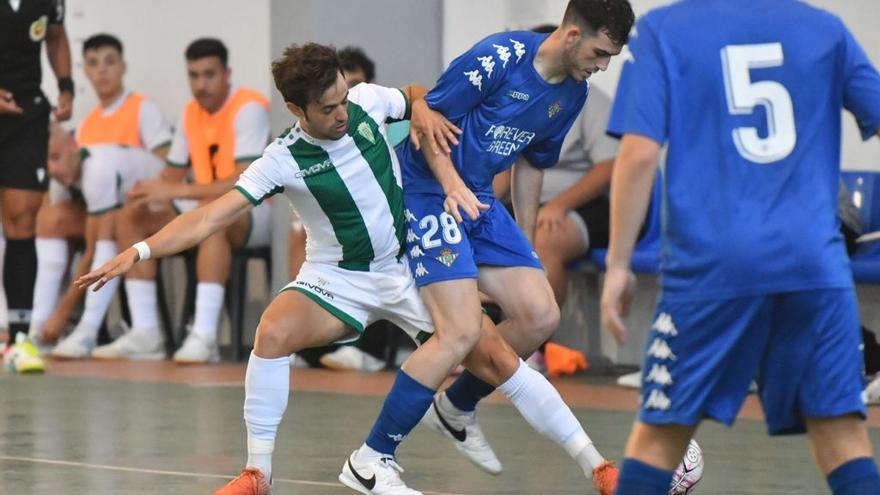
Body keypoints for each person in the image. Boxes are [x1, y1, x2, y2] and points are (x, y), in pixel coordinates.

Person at [77, 42, 620, 495]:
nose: (343, 114)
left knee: (497, 357)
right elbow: (210, 217)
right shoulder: (282, 159)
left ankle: (597, 465)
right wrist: (140, 251)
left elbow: (413, 97)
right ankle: (257, 472)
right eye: (329, 109)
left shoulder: (362, 102)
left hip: (406, 267)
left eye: (343, 99)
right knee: (272, 332)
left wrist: (422, 108)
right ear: (297, 110)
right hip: (336, 279)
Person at [600, 1, 880, 493]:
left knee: (658, 444)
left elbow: (639, 155)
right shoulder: (825, 29)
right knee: (843, 439)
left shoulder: (665, 30)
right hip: (814, 263)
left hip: (712, 267)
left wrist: (619, 264)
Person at [396, 0, 634, 474]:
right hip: (426, 188)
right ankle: (377, 452)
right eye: (600, 52)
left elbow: (531, 164)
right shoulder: (498, 57)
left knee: (541, 313)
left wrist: (525, 248)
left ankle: (455, 406)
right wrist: (452, 186)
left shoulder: (574, 93)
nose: (603, 66)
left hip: (479, 197)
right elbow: (427, 126)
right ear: (571, 36)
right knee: (461, 330)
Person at [66, 38, 273, 362]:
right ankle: (146, 332)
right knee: (129, 216)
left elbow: (244, 181)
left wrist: (175, 192)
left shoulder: (249, 106)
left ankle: (204, 336)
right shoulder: (191, 112)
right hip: (206, 205)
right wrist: (147, 191)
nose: (200, 84)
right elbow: (172, 178)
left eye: (209, 75)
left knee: (216, 222)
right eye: (193, 75)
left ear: (227, 73)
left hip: (255, 211)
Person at [30, 33, 171, 351]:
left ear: (123, 67)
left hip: (140, 210)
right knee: (49, 217)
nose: (102, 71)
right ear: (85, 71)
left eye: (109, 62)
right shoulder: (85, 126)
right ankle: (36, 325)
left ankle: (81, 326)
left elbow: (166, 166)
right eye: (93, 64)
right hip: (99, 207)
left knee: (110, 225)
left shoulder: (141, 108)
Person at [0, 0, 72, 362]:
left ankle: (18, 338)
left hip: (26, 115)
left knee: (22, 220)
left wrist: (66, 86)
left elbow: (56, 37)